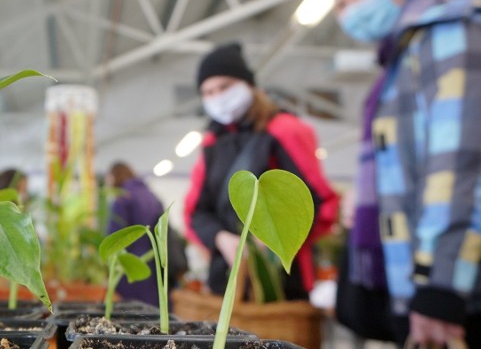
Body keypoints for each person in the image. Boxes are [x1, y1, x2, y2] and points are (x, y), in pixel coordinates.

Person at [322, 0, 481, 349]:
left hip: (480, 291)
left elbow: (461, 165)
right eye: (340, 3)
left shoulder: (459, 36)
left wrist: (439, 286)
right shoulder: (404, 57)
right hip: (444, 281)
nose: (350, 10)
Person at [184, 42, 339, 300]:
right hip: (226, 278)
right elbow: (197, 211)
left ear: (249, 85)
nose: (217, 98)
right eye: (208, 92)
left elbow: (318, 200)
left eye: (224, 87)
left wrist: (270, 239)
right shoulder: (212, 142)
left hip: (282, 279)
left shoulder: (284, 130)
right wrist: (221, 238)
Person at [106, 161, 169, 305]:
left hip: (129, 264)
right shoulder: (152, 195)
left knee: (130, 313)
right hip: (153, 261)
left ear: (115, 176)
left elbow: (115, 236)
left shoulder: (123, 197)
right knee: (150, 311)